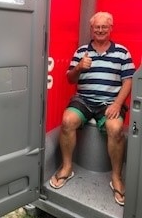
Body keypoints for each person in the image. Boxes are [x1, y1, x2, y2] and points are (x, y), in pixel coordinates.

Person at [49, 11, 135, 206]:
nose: (100, 30)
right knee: (67, 121)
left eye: (105, 27)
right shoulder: (81, 51)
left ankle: (116, 178)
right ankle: (67, 168)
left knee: (115, 129)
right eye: (97, 27)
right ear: (91, 29)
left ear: (111, 28)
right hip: (84, 99)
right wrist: (79, 67)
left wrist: (117, 103)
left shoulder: (122, 52)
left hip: (110, 102)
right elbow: (70, 79)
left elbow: (128, 81)